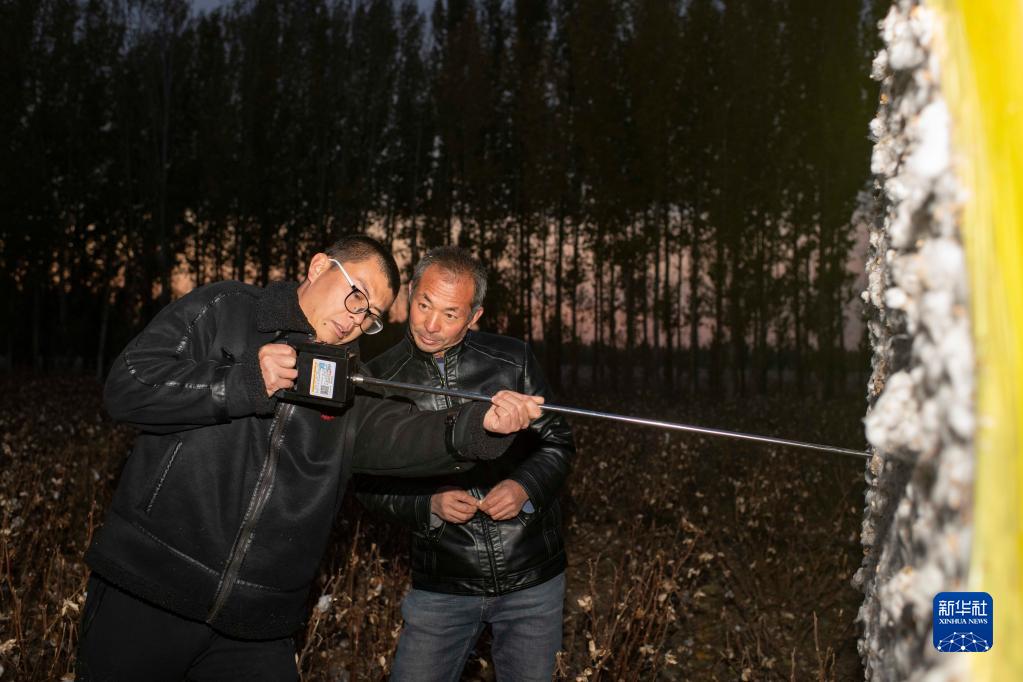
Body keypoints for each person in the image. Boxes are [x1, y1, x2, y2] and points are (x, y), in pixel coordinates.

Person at [76, 235, 543, 681]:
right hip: (148, 589)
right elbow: (130, 384)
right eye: (356, 296)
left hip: (256, 621)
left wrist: (480, 424)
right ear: (319, 266)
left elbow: (400, 433)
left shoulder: (349, 380)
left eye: (372, 315)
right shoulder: (228, 308)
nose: (357, 319)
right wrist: (241, 382)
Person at [356, 246, 574, 681]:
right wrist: (428, 504)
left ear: (474, 316)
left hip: (532, 579)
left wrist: (524, 487)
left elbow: (558, 443)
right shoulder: (379, 378)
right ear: (411, 293)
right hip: (443, 584)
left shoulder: (512, 359)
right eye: (424, 305)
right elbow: (366, 484)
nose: (431, 325)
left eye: (451, 314)